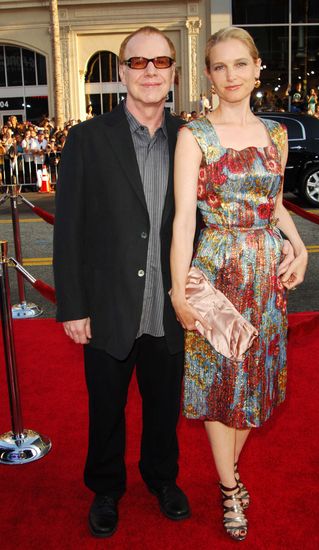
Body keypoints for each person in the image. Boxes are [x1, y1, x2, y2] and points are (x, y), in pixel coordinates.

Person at [170, 27, 308, 542]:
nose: (230, 76)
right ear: (209, 74)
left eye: (239, 64)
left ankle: (229, 475)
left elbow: (274, 205)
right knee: (217, 383)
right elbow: (184, 220)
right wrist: (178, 293)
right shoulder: (194, 135)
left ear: (256, 68)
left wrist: (302, 247)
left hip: (268, 271)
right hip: (217, 270)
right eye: (219, 67)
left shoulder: (275, 134)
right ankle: (230, 489)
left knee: (258, 382)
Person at [53, 26, 191, 539]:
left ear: (174, 71)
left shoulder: (190, 138)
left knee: (164, 407)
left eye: (161, 61)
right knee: (105, 407)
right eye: (138, 62)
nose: (150, 71)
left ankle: (162, 478)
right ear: (121, 72)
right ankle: (106, 488)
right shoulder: (88, 139)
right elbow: (68, 229)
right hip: (109, 304)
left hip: (170, 305)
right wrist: (72, 306)